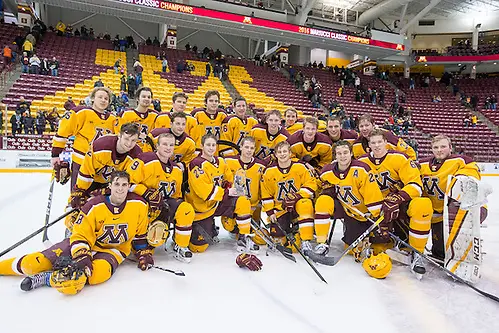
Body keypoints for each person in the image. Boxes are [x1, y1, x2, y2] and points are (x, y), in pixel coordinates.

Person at [0, 171, 151, 294]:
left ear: (129, 186)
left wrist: (144, 253)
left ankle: (47, 278)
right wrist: (82, 255)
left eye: (124, 185)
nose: (120, 188)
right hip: (86, 244)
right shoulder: (94, 205)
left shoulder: (139, 205)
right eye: (117, 184)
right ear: (110, 185)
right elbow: (80, 235)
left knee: (93, 276)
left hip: (114, 250)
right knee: (32, 264)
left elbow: (140, 235)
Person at [358, 129, 432, 277]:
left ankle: (417, 252)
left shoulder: (400, 158)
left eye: (380, 142)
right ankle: (379, 242)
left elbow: (416, 185)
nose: (377, 145)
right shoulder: (361, 162)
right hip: (375, 209)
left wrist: (397, 198)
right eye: (373, 143)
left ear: (386, 143)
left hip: (399, 205)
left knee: (423, 204)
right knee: (378, 246)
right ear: (369, 146)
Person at [313, 141, 385, 273]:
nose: (342, 156)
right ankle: (322, 243)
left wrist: (376, 216)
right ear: (335, 155)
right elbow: (317, 186)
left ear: (351, 153)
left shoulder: (362, 169)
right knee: (322, 200)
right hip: (347, 210)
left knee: (362, 248)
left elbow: (372, 194)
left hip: (365, 214)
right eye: (339, 153)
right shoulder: (327, 172)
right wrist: (325, 190)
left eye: (345, 152)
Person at [186, 134, 257, 260]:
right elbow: (204, 192)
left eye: (213, 145)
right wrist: (227, 192)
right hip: (203, 207)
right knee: (198, 248)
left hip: (219, 202)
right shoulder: (196, 164)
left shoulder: (220, 161)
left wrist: (228, 185)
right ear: (202, 146)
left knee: (243, 201)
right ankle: (192, 232)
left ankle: (243, 237)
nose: (211, 148)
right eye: (208, 145)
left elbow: (229, 178)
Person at [419, 135, 486, 265]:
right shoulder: (422, 164)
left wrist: (460, 179)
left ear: (450, 148)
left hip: (462, 209)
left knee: (457, 246)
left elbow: (470, 180)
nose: (439, 150)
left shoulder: (462, 161)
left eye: (443, 146)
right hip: (438, 213)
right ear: (431, 149)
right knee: (440, 253)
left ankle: (468, 250)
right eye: (436, 147)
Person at [128, 133, 195, 262]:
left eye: (171, 145)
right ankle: (137, 241)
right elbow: (128, 183)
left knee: (185, 209)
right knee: (146, 249)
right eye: (164, 144)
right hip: (144, 205)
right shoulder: (144, 160)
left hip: (163, 205)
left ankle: (181, 245)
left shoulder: (176, 169)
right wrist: (146, 192)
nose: (168, 147)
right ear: (157, 146)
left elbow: (176, 196)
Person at [51, 87, 117, 189]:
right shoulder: (81, 113)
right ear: (92, 98)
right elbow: (63, 132)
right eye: (100, 97)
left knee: (99, 202)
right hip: (81, 163)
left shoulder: (113, 119)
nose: (103, 100)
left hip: (102, 168)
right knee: (78, 199)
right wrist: (55, 154)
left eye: (106, 98)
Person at [261, 141, 317, 252]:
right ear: (276, 155)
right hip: (280, 209)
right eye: (279, 152)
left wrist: (297, 196)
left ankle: (305, 240)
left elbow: (311, 183)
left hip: (297, 207)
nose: (282, 154)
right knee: (279, 239)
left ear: (290, 153)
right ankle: (289, 234)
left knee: (306, 203)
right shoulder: (269, 171)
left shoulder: (300, 167)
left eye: (285, 151)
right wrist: (270, 212)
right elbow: (266, 193)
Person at [224, 136, 267, 240]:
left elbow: (264, 188)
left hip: (253, 207)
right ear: (241, 147)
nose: (249, 150)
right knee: (229, 225)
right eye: (246, 147)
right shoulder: (228, 162)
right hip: (234, 205)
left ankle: (247, 230)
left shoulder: (261, 166)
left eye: (252, 148)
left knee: (259, 239)